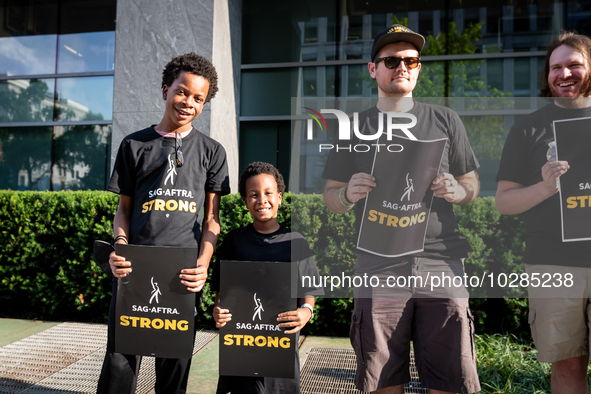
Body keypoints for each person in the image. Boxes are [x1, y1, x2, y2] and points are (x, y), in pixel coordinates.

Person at [322, 25, 481, 394]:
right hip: (379, 263)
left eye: (410, 60)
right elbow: (331, 196)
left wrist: (458, 191)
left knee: (452, 379)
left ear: (419, 68)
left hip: (440, 262)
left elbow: (472, 184)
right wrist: (347, 194)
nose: (402, 67)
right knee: (380, 379)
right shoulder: (354, 128)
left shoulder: (445, 120)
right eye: (391, 60)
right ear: (372, 69)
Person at [97, 52, 231, 394]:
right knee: (120, 362)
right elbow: (123, 210)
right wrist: (120, 246)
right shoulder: (134, 145)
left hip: (182, 276)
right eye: (182, 92)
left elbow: (212, 219)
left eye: (198, 98)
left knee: (174, 369)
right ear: (165, 90)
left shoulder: (212, 151)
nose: (188, 102)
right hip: (133, 271)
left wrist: (203, 265)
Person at [496, 31, 591, 394]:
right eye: (555, 67)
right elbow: (504, 202)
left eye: (574, 65)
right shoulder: (528, 128)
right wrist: (544, 188)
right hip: (553, 262)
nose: (563, 74)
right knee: (567, 365)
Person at [212, 161, 323, 394]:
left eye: (268, 193)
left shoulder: (296, 242)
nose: (261, 200)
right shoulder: (234, 240)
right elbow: (222, 289)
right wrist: (218, 309)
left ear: (280, 197)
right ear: (245, 201)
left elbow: (309, 289)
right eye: (253, 194)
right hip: (240, 346)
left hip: (279, 344)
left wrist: (306, 312)